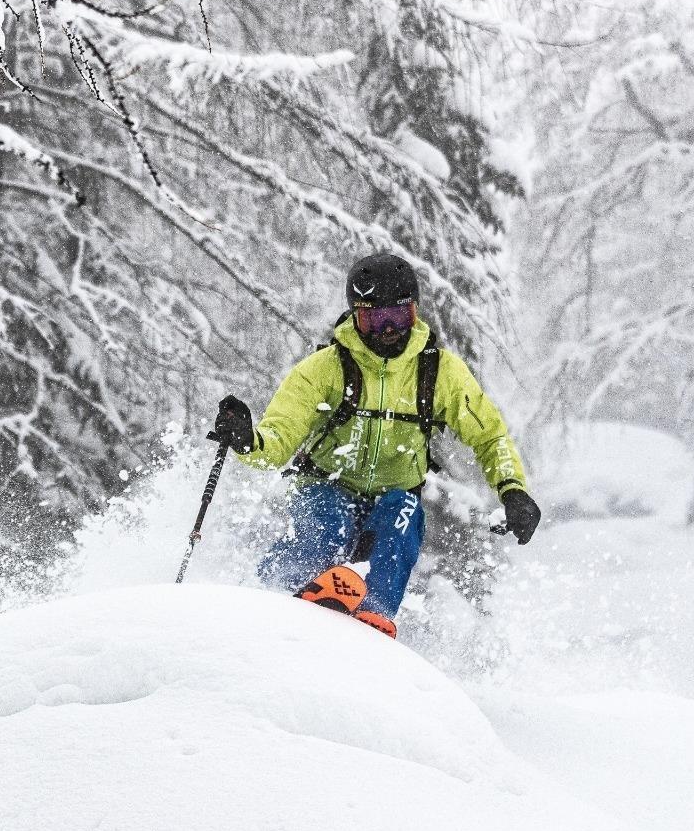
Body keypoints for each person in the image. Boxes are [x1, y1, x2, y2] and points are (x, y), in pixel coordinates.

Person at [207, 252, 541, 638]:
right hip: (326, 483)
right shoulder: (326, 368)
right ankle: (280, 595)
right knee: (327, 521)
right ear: (355, 316)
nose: (388, 331)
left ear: (414, 314)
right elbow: (278, 440)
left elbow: (489, 435)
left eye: (398, 318)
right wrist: (249, 441)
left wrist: (512, 490)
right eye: (375, 319)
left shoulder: (439, 373)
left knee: (402, 519)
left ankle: (373, 617)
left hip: (395, 493)